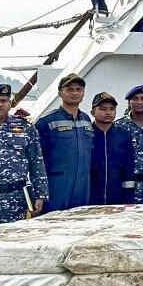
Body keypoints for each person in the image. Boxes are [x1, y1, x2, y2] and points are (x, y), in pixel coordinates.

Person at [0, 84, 47, 230]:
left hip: (16, 201)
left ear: (10, 103)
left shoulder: (25, 128)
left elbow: (36, 162)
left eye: (3, 100)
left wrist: (41, 194)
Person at [36, 73, 94, 212]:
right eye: (69, 89)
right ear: (60, 93)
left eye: (78, 89)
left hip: (83, 188)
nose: (75, 93)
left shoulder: (86, 120)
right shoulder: (46, 121)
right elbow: (36, 160)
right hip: (56, 188)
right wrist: (39, 193)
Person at [88, 92, 135, 205]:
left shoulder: (124, 136)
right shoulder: (86, 135)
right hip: (90, 198)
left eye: (112, 109)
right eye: (103, 109)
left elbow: (128, 170)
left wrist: (129, 199)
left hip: (117, 198)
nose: (108, 112)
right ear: (93, 112)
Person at [116, 85, 143, 204]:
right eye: (135, 98)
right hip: (127, 187)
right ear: (129, 102)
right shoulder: (118, 126)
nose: (139, 102)